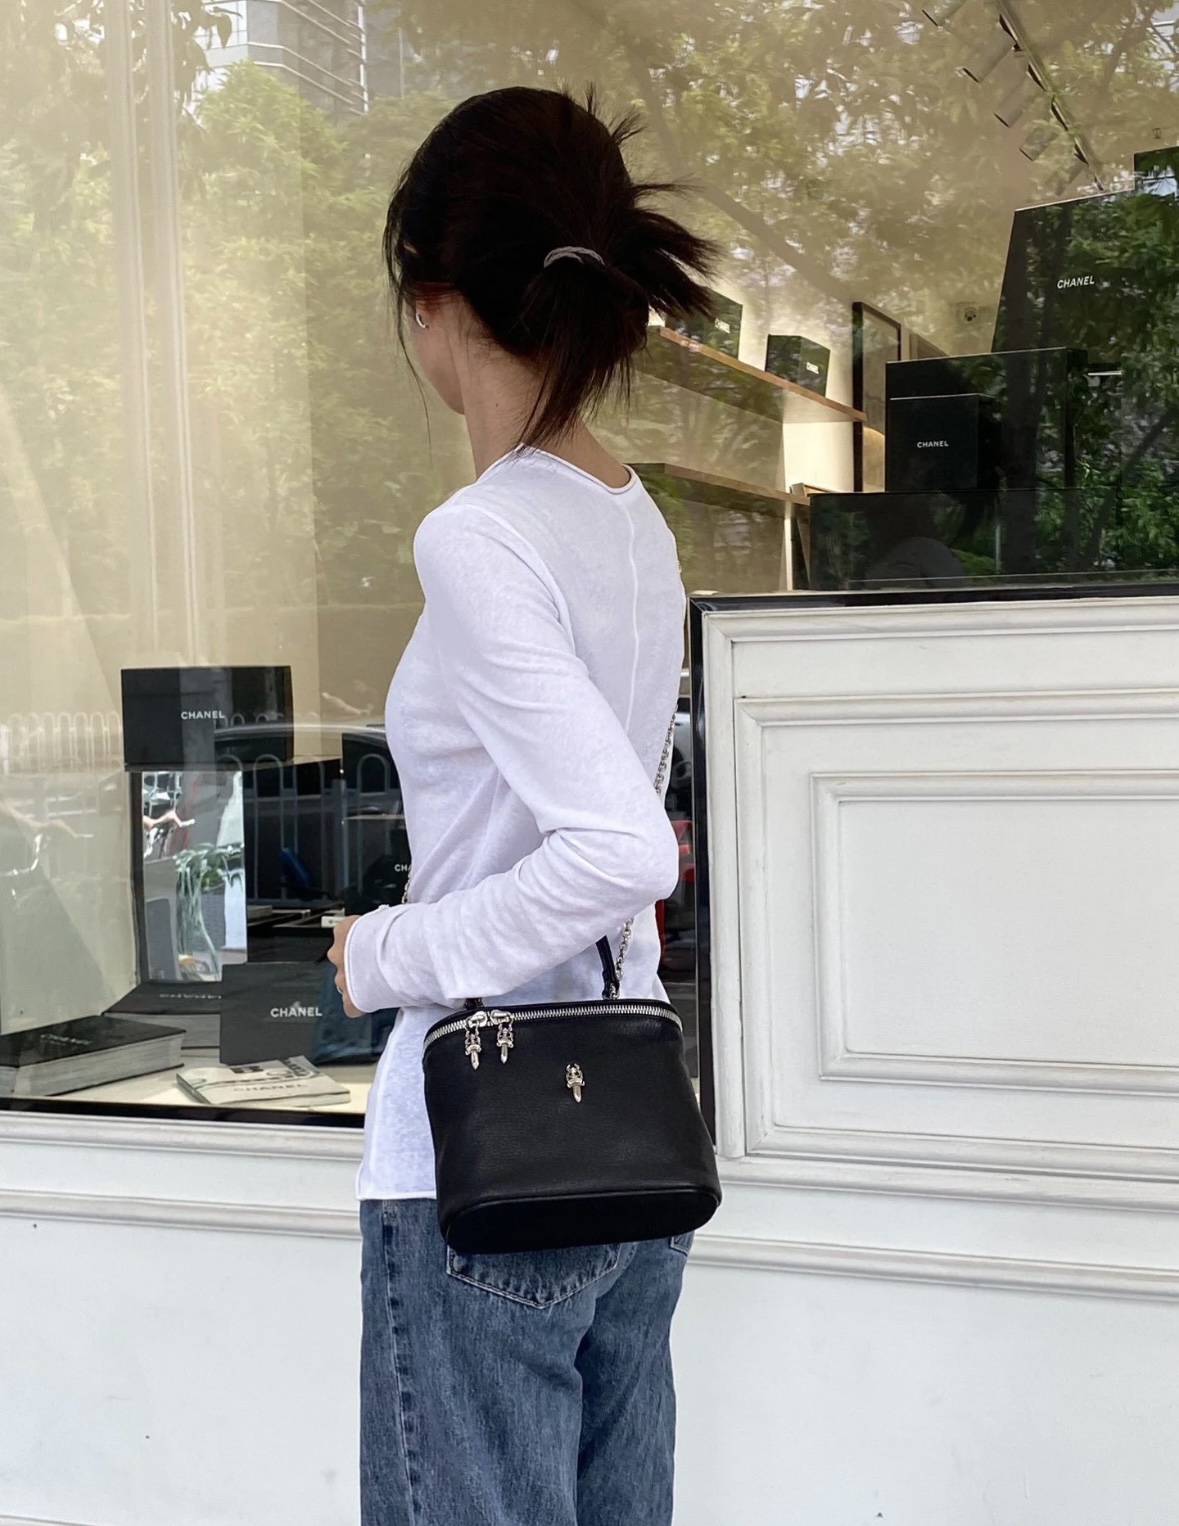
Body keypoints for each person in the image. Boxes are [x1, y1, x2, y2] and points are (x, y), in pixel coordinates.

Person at [326, 84, 716, 1526]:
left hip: (482, 1152)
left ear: (431, 298)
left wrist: (385, 952)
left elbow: (618, 847)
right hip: (624, 1125)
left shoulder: (480, 534)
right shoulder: (631, 517)